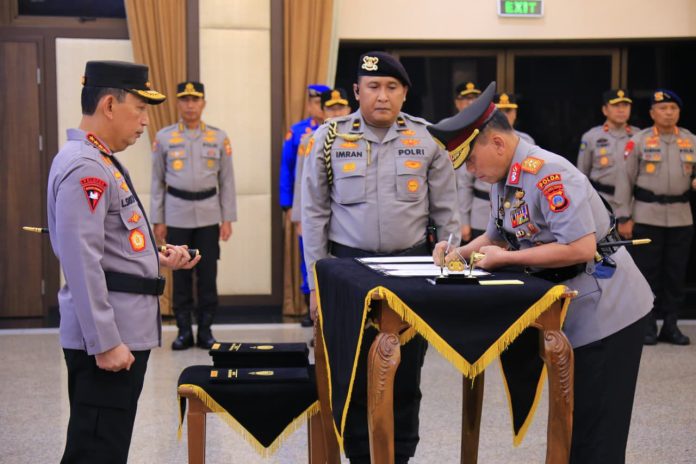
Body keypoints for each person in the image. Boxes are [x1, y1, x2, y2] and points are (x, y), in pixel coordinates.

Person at [430, 82, 652, 464]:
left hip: (605, 311)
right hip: (569, 305)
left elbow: (580, 248)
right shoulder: (504, 176)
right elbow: (495, 234)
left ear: (497, 143)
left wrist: (506, 260)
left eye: (470, 160)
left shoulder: (549, 173)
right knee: (573, 422)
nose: (470, 171)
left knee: (596, 432)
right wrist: (458, 252)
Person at [302, 52, 459, 464]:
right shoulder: (330, 139)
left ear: (405, 93)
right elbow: (314, 215)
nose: (382, 96)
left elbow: (448, 214)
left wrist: (448, 271)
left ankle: (400, 455)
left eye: (392, 87)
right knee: (352, 372)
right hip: (347, 272)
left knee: (406, 372)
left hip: (412, 271)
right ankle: (359, 455)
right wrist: (316, 285)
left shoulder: (427, 139)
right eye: (373, 87)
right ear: (357, 91)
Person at [47, 61, 201, 463]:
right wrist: (105, 342)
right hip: (109, 336)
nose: (146, 121)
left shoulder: (99, 159)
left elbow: (109, 242)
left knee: (103, 445)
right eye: (141, 109)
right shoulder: (86, 167)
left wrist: (156, 257)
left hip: (122, 328)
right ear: (110, 105)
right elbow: (82, 260)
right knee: (97, 451)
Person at [150, 81, 237, 350]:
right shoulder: (164, 137)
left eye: (195, 100)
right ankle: (184, 331)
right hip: (176, 214)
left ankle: (206, 331)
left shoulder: (218, 137)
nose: (190, 105)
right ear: (178, 103)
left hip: (209, 215)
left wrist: (227, 219)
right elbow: (157, 181)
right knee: (180, 276)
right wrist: (158, 219)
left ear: (203, 103)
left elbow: (227, 181)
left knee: (208, 275)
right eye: (185, 100)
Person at [615, 89, 695, 345]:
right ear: (652, 113)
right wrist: (623, 217)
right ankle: (647, 325)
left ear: (679, 112)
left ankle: (671, 325)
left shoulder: (691, 140)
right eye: (663, 108)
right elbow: (624, 181)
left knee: (675, 274)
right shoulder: (638, 140)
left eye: (673, 108)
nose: (668, 113)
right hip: (646, 215)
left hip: (681, 217)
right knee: (646, 274)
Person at [291, 88, 352, 327]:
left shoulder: (360, 140)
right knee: (316, 266)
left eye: (341, 107)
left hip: (346, 221)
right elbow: (301, 182)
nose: (337, 112)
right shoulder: (310, 141)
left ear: (349, 109)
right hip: (317, 216)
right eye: (331, 108)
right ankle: (318, 321)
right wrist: (299, 218)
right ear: (322, 111)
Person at [281, 83, 330, 319]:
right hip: (306, 205)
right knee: (308, 253)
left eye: (322, 103)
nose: (318, 107)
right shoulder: (299, 132)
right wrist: (289, 206)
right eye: (315, 103)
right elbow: (288, 170)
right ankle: (307, 306)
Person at [577, 89, 639, 212]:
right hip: (600, 201)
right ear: (605, 110)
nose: (621, 110)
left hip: (631, 204)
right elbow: (581, 175)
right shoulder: (591, 137)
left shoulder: (639, 136)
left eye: (625, 105)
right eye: (616, 106)